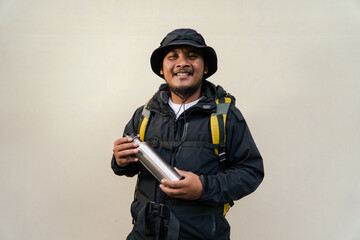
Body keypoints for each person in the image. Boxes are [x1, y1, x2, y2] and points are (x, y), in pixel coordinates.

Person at [112, 28, 264, 240]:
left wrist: (203, 187)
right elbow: (128, 168)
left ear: (206, 67)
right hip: (145, 232)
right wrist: (120, 161)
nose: (182, 63)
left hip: (200, 234)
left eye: (192, 56)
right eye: (172, 57)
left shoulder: (226, 117)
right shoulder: (145, 114)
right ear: (161, 69)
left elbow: (251, 172)